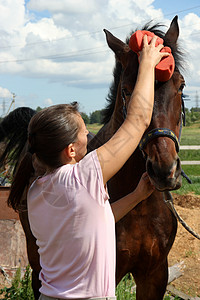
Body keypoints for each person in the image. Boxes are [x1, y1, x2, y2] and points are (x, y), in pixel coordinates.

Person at [8, 35, 169, 300]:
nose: (89, 135)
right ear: (71, 150)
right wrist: (148, 66)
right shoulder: (84, 178)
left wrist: (136, 196)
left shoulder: (37, 189)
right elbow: (138, 119)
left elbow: (95, 220)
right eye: (85, 132)